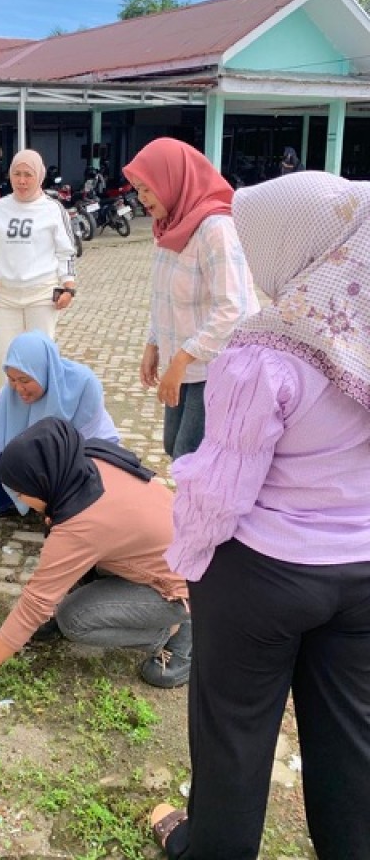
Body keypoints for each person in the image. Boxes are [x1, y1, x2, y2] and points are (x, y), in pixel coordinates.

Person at [150, 171, 370, 859]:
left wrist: (187, 562)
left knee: (234, 738)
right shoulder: (360, 338)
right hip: (362, 571)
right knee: (353, 744)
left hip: (262, 577)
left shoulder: (265, 353)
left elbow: (220, 493)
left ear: (293, 249)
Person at [0, 418, 191, 708]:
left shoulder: (83, 523)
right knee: (70, 565)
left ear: (42, 481)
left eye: (21, 492)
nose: (21, 501)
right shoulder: (87, 462)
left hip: (183, 586)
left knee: (73, 619)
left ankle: (174, 631)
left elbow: (35, 603)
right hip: (170, 555)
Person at [123, 137, 259, 459]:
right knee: (174, 446)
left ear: (171, 180)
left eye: (147, 188)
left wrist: (182, 359)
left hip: (215, 366)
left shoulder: (216, 228)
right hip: (182, 363)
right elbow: (163, 296)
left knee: (191, 454)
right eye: (138, 190)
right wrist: (153, 344)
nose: (142, 198)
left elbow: (233, 307)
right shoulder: (168, 227)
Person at [0, 330, 121, 524]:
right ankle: (12, 503)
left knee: (86, 505)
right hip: (44, 453)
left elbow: (84, 451)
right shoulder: (8, 395)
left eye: (25, 380)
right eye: (11, 379)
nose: (18, 388)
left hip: (90, 452)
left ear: (44, 371)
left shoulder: (84, 384)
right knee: (5, 445)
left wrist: (63, 505)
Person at [0, 149, 77, 387]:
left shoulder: (53, 209)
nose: (21, 181)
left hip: (41, 295)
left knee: (40, 359)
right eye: (17, 174)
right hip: (7, 297)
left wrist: (69, 287)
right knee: (5, 358)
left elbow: (66, 252)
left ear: (39, 176)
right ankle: (6, 405)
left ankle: (42, 406)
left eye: (28, 175)